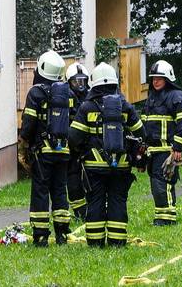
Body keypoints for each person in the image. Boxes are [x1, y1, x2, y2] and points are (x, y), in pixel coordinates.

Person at [68, 63, 143, 247]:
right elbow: (142, 133)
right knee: (118, 200)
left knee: (95, 202)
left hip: (94, 167)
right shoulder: (125, 106)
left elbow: (74, 137)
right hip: (122, 165)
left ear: (93, 83)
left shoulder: (86, 107)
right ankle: (117, 241)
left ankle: (95, 242)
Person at [19, 50, 73, 246]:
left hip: (42, 152)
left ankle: (41, 235)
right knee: (60, 190)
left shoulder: (36, 93)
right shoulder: (68, 93)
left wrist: (24, 141)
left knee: (41, 191)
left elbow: (29, 122)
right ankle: (62, 234)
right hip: (63, 151)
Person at [140, 60, 182, 226]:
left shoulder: (177, 97)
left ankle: (167, 218)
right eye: (154, 78)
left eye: (159, 78)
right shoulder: (151, 99)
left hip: (167, 149)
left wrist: (178, 146)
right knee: (156, 183)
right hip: (152, 150)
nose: (155, 81)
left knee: (164, 182)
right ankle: (162, 216)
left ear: (168, 79)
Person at [65, 63, 91, 220]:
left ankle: (93, 208)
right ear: (69, 82)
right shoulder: (66, 99)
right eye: (76, 81)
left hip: (89, 146)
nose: (80, 85)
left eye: (82, 81)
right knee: (73, 181)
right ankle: (80, 213)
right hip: (72, 148)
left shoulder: (91, 97)